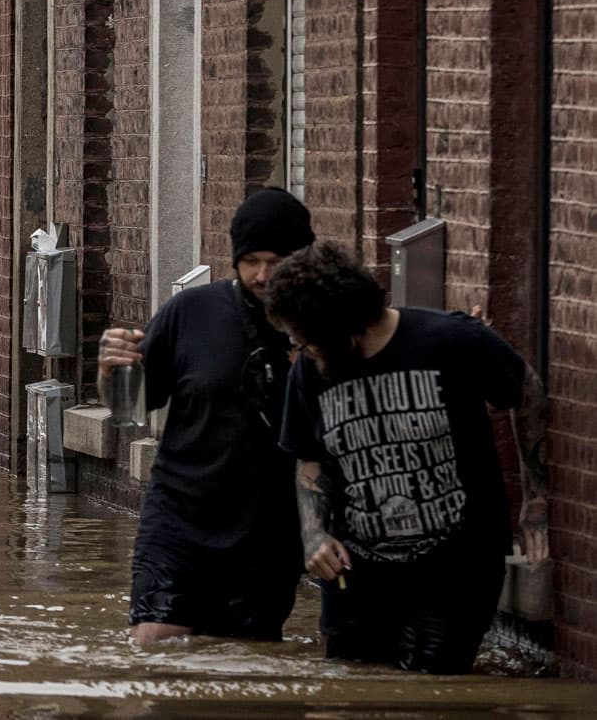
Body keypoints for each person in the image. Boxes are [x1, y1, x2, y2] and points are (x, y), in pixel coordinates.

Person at [270, 243, 548, 674]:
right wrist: (314, 536)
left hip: (456, 568)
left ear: (341, 329)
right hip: (356, 571)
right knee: (350, 690)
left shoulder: (453, 341)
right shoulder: (310, 371)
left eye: (306, 343)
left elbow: (526, 393)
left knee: (428, 694)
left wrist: (536, 505)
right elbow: (311, 461)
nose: (300, 352)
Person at [95, 187, 311, 643]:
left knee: (242, 657)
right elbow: (130, 408)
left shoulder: (320, 328)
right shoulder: (191, 313)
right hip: (180, 517)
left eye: (277, 261)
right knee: (155, 640)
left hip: (268, 531)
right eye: (251, 260)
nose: (263, 274)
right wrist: (111, 372)